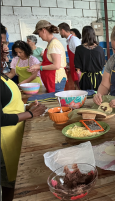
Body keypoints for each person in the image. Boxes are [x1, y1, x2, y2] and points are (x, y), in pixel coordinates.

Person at [0, 42, 47, 201]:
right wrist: (29, 114)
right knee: (10, 187)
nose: (6, 49)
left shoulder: (2, 75)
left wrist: (25, 107)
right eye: (2, 45)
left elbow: (8, 104)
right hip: (4, 143)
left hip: (14, 135)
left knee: (16, 182)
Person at [28, 20, 67, 93]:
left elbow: (56, 65)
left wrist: (40, 67)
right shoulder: (50, 43)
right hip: (52, 79)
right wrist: (36, 65)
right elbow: (48, 61)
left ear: (43, 30)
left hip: (56, 79)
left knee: (55, 101)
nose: (39, 36)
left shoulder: (54, 44)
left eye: (38, 33)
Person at [74, 26, 105, 90]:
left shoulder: (79, 49)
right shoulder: (100, 49)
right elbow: (103, 66)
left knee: (86, 98)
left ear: (83, 35)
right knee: (99, 98)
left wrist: (79, 82)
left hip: (85, 80)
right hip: (99, 79)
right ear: (93, 35)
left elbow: (78, 70)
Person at [58, 22, 81, 89]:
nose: (59, 33)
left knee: (79, 88)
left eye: (59, 31)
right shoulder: (69, 40)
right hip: (73, 67)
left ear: (62, 30)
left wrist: (78, 68)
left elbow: (79, 54)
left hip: (76, 68)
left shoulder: (74, 39)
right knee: (77, 87)